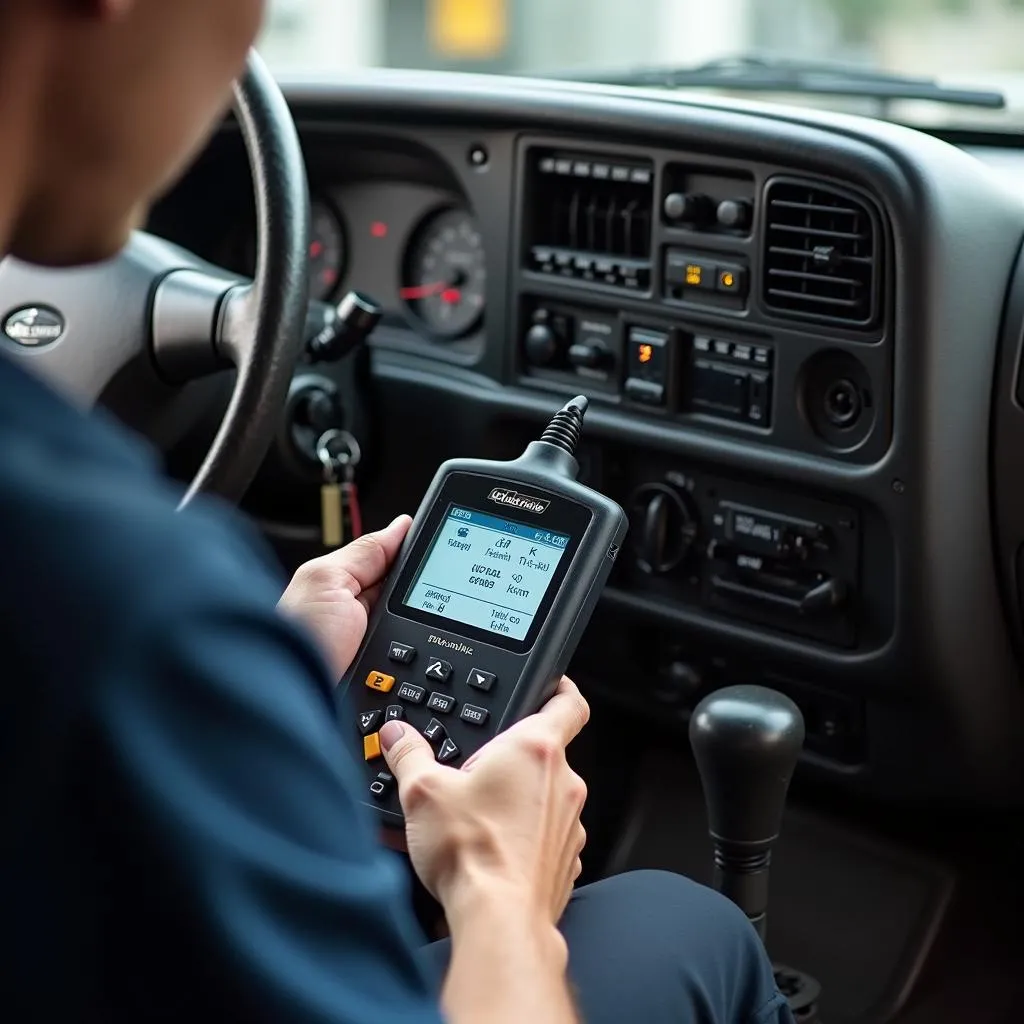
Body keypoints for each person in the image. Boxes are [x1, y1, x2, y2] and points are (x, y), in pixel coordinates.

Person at [0, 3, 793, 1022]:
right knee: (694, 928)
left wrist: (251, 682)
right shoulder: (130, 603)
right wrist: (499, 890)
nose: (251, 35)